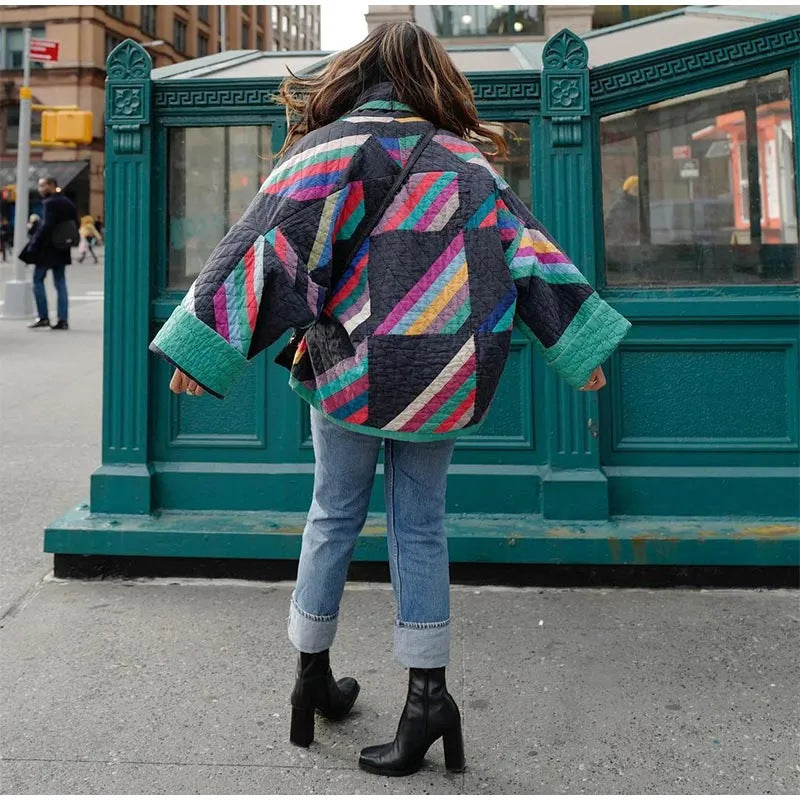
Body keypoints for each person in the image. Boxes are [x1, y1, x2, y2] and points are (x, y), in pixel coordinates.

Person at [150, 22, 631, 777]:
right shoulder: (466, 161)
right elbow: (529, 252)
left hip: (348, 370)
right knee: (421, 527)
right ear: (434, 77)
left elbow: (265, 244)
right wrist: (579, 348)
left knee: (331, 514)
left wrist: (202, 348)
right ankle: (428, 700)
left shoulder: (327, 150)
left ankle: (310, 679)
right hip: (441, 377)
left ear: (359, 72)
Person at [21, 177, 78, 330]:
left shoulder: (49, 203)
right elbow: (75, 224)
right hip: (62, 248)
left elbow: (46, 226)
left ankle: (43, 316)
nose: (40, 189)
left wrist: (33, 245)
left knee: (37, 280)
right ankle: (63, 319)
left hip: (47, 250)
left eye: (42, 186)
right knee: (60, 282)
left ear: (51, 185)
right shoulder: (67, 202)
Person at [604, 174, 640, 245]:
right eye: (635, 188)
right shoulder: (620, 206)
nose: (638, 191)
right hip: (621, 244)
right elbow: (607, 225)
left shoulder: (640, 205)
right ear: (628, 190)